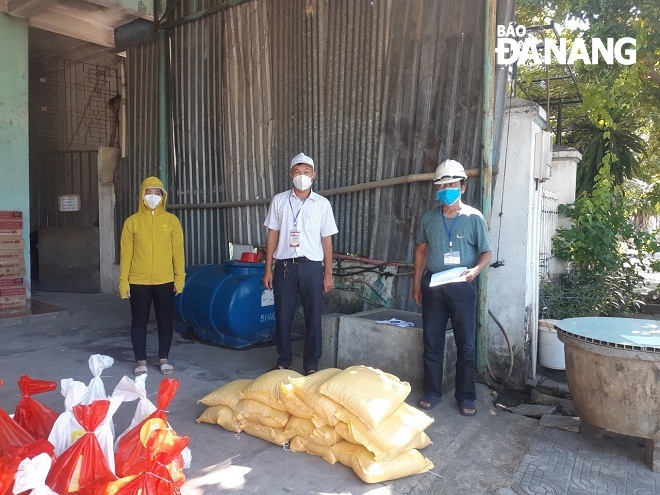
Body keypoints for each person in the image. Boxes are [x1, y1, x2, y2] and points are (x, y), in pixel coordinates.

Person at [412, 159, 492, 415]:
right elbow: (421, 251)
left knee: (466, 343)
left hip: (461, 286)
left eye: (452, 184)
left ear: (463, 187)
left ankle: (466, 396)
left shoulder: (473, 218)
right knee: (432, 340)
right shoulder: (429, 218)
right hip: (433, 284)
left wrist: (476, 270)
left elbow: (486, 252)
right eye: (442, 185)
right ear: (436, 189)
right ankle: (432, 391)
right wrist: (416, 284)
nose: (447, 189)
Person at [262, 152, 338, 375]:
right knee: (282, 315)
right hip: (285, 266)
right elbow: (272, 235)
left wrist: (328, 273)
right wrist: (268, 269)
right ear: (290, 174)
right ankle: (284, 360)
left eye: (306, 172)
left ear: (314, 175)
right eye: (297, 172)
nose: (302, 176)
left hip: (312, 267)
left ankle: (311, 364)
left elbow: (327, 240)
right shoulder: (279, 200)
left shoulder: (322, 204)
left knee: (313, 316)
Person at [119, 176, 185, 376]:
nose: (153, 197)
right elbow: (126, 254)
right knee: (138, 321)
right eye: (149, 192)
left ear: (163, 196)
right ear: (142, 195)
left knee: (165, 320)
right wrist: (124, 282)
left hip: (165, 280)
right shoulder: (132, 222)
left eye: (157, 193)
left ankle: (163, 358)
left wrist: (179, 278)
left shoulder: (171, 221)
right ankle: (141, 361)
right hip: (138, 281)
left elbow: (178, 252)